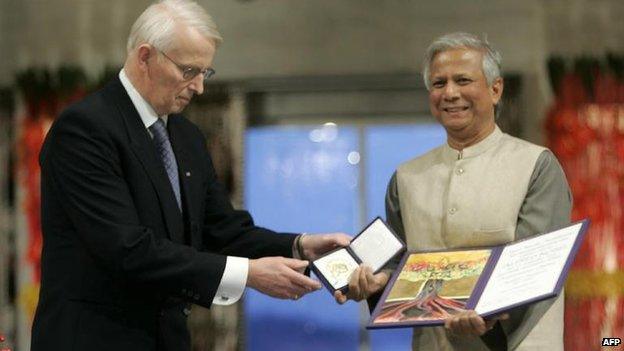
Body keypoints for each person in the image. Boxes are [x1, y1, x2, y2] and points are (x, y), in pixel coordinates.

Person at [31, 1, 351, 350]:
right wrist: (248, 275)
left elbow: (221, 230)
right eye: (189, 71)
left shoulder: (185, 136)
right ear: (145, 57)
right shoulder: (86, 129)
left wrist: (299, 246)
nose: (198, 87)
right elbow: (127, 250)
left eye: (205, 73)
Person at [335, 32, 572, 350]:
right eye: (438, 83)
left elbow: (535, 269)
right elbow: (398, 265)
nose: (450, 93)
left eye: (463, 80)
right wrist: (378, 283)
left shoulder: (536, 166)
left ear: (495, 89)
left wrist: (483, 318)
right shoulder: (407, 178)